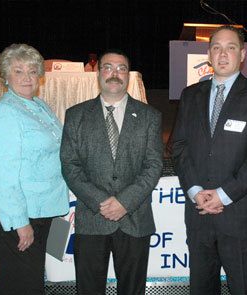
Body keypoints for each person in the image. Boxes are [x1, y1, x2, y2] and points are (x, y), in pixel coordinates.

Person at [172, 25, 247, 294]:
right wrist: (195, 191)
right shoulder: (190, 95)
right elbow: (180, 147)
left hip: (241, 216)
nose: (222, 53)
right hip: (199, 216)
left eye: (230, 47)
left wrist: (223, 195)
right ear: (208, 54)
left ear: (242, 54)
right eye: (216, 47)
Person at [60, 49, 163, 294]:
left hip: (134, 219)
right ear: (98, 73)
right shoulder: (76, 115)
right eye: (108, 67)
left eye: (121, 68)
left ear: (129, 75)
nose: (114, 74)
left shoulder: (150, 116)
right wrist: (102, 202)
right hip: (92, 219)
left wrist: (124, 202)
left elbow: (153, 165)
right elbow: (69, 165)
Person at [0, 43, 69, 295]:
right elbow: (0, 175)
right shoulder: (5, 114)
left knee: (31, 285)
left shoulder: (38, 105)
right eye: (18, 71)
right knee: (23, 287)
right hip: (14, 218)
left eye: (31, 71)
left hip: (39, 211)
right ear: (5, 76)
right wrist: (20, 222)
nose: (27, 77)